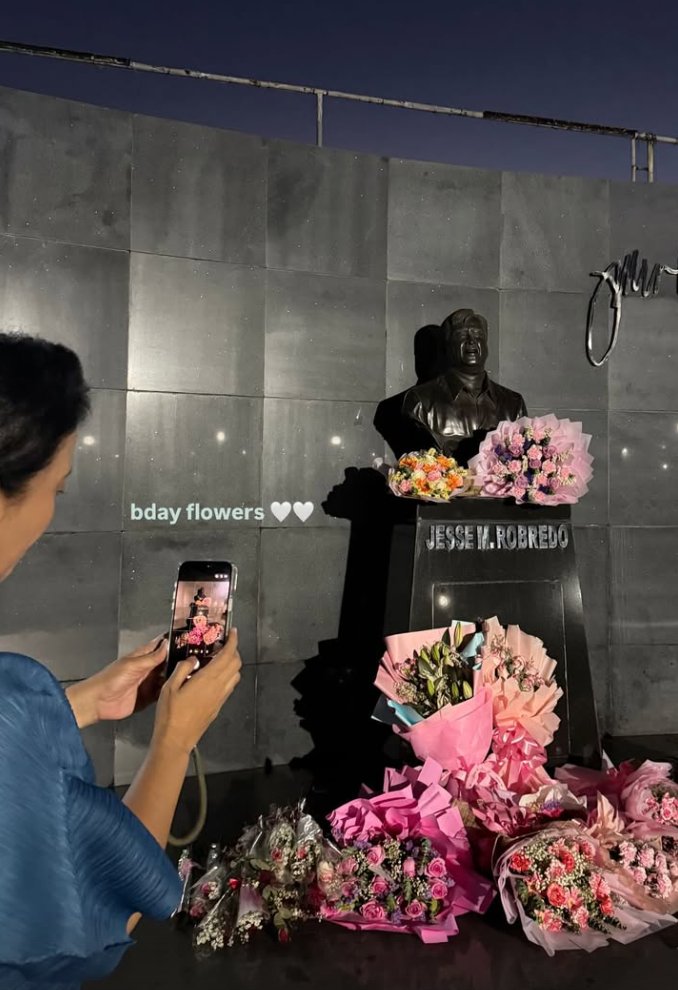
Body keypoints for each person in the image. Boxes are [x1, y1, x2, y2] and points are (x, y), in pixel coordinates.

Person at [0, 332, 242, 989]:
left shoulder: (21, 703)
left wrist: (75, 703)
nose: (50, 511)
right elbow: (98, 910)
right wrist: (173, 741)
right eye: (58, 485)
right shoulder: (12, 703)